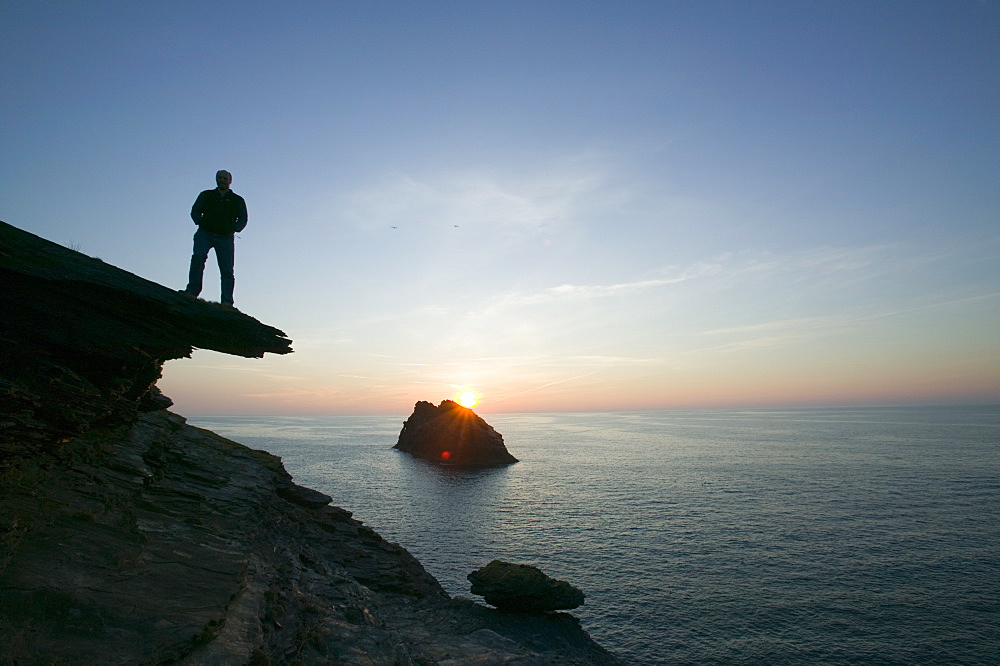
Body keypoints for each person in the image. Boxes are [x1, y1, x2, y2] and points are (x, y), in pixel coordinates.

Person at [183, 170, 248, 307]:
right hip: (204, 233)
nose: (222, 180)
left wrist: (235, 228)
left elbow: (243, 218)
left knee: (227, 270)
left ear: (230, 181)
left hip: (225, 238)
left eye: (225, 178)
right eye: (219, 178)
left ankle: (227, 301)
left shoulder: (237, 200)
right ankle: (192, 291)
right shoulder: (206, 195)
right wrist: (199, 221)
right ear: (216, 180)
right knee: (198, 260)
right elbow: (195, 210)